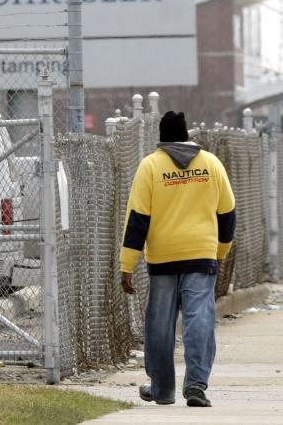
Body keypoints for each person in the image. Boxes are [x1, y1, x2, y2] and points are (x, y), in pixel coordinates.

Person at [120, 110, 236, 408]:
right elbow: (228, 214)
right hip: (202, 253)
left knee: (160, 324)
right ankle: (196, 385)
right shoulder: (210, 164)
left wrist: (127, 264)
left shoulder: (151, 166)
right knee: (200, 318)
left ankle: (162, 389)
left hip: (163, 257)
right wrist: (220, 252)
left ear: (161, 137)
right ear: (187, 135)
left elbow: (137, 220)